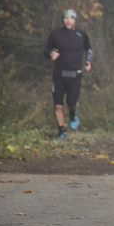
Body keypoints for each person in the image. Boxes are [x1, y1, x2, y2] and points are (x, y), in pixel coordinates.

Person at [43, 9, 93, 139]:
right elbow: (46, 50)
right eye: (66, 18)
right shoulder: (56, 34)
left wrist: (88, 61)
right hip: (59, 74)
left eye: (71, 18)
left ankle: (73, 111)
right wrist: (50, 54)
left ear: (75, 20)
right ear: (63, 20)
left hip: (75, 74)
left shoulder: (81, 34)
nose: (68, 21)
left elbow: (89, 49)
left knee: (71, 101)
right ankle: (61, 131)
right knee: (58, 104)